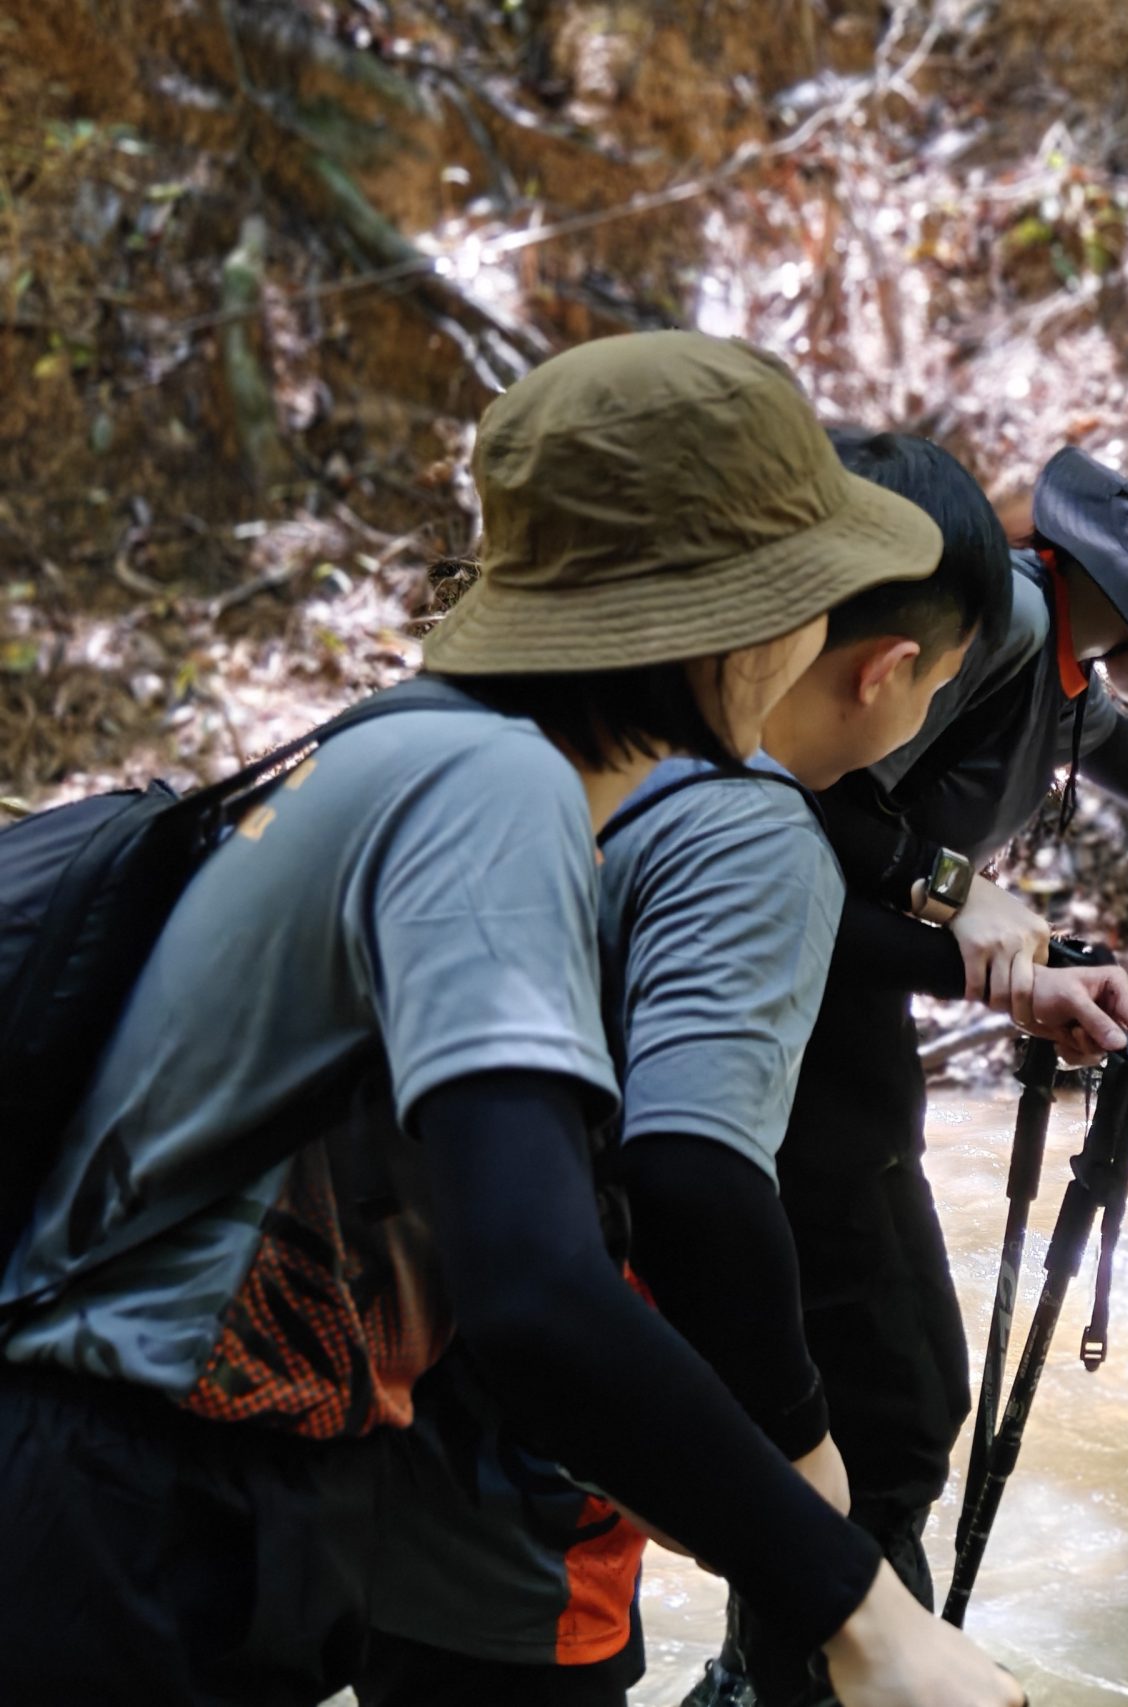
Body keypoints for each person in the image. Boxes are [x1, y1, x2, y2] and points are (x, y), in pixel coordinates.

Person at [0, 331, 1020, 1707]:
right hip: (134, 1514)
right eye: (809, 587)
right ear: (731, 610)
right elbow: (535, 1289)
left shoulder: (410, 743)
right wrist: (862, 1609)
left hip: (161, 1497)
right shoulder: (491, 791)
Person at [354, 430, 1128, 1705]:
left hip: (362, 1417)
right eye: (940, 690)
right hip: (508, 1502)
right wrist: (800, 1462)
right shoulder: (747, 823)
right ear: (887, 672)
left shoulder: (487, 737)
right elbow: (686, 1178)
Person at [695, 428, 1128, 1706]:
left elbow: (1095, 736)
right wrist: (953, 896)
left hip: (836, 1022)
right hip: (794, 1034)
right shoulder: (1002, 626)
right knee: (890, 1415)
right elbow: (783, 810)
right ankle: (814, 1678)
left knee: (886, 1406)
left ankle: (773, 1674)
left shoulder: (1051, 642)